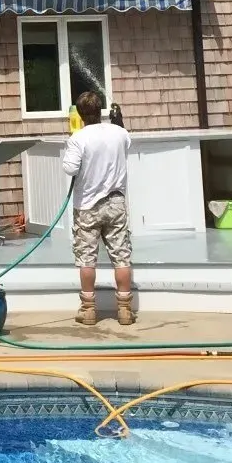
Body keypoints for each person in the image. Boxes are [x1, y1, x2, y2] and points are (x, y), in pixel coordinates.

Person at [59, 91, 134, 326]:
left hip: (88, 206)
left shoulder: (78, 138)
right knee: (121, 256)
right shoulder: (120, 133)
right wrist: (118, 123)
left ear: (80, 114)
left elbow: (70, 169)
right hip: (116, 203)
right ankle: (124, 310)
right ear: (101, 110)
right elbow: (125, 143)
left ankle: (89, 310)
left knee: (87, 258)